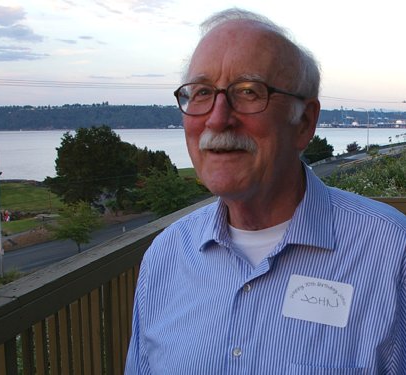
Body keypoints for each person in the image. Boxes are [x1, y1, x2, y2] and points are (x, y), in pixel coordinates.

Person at [125, 8, 406, 374]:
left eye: (248, 92)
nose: (217, 118)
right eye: (201, 93)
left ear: (304, 122)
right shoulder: (165, 258)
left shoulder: (392, 254)